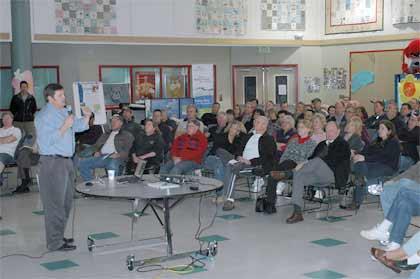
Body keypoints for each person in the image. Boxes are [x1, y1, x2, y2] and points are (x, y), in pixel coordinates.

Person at [35, 83, 92, 251]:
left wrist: (87, 117)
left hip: (66, 161)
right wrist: (64, 126)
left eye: (63, 95)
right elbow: (46, 141)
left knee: (65, 203)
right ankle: (54, 243)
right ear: (50, 98)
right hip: (52, 163)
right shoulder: (43, 116)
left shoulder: (62, 111)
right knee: (54, 204)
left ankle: (58, 236)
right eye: (60, 96)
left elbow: (77, 127)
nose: (64, 98)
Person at [286, 121, 351, 224]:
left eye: (332, 131)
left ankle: (289, 173)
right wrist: (304, 163)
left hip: (333, 175)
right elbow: (310, 158)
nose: (329, 133)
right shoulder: (321, 144)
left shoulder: (343, 144)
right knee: (299, 175)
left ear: (338, 132)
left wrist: (309, 162)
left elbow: (333, 161)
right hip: (317, 175)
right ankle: (297, 212)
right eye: (327, 131)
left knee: (317, 161)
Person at [222, 116, 277, 211]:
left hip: (256, 166)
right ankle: (228, 198)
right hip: (241, 163)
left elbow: (268, 157)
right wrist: (239, 157)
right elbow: (239, 149)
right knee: (228, 161)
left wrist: (250, 161)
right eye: (255, 121)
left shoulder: (268, 139)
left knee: (232, 168)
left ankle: (228, 199)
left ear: (264, 125)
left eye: (258, 122)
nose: (254, 123)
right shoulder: (248, 136)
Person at [264, 119, 317, 214]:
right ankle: (270, 204)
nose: (299, 129)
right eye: (298, 127)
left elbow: (309, 159)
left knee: (275, 171)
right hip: (286, 165)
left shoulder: (312, 143)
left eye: (302, 127)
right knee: (273, 175)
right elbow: (285, 154)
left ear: (309, 129)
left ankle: (269, 203)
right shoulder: (293, 141)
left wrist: (295, 163)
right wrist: (281, 164)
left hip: (298, 167)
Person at [348, 120, 401, 210]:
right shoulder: (376, 141)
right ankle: (360, 182)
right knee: (360, 166)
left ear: (389, 131)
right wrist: (358, 154)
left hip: (388, 167)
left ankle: (356, 198)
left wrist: (365, 158)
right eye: (379, 128)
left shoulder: (393, 142)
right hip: (372, 165)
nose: (379, 130)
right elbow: (366, 151)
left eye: (382, 128)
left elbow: (384, 157)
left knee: (361, 168)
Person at [78, 114, 134, 181]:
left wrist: (119, 154)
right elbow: (96, 145)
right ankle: (91, 183)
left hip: (116, 157)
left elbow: (129, 150)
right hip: (102, 156)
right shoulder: (106, 134)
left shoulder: (127, 135)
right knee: (83, 163)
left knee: (112, 166)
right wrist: (96, 152)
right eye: (111, 121)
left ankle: (112, 187)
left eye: (115, 121)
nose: (112, 123)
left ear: (121, 123)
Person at [0, 112, 22, 187]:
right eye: (4, 118)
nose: (6, 120)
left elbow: (9, 140)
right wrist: (4, 139)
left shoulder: (16, 130)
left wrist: (4, 139)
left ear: (12, 120)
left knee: (0, 157)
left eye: (8, 118)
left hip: (8, 154)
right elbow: (5, 140)